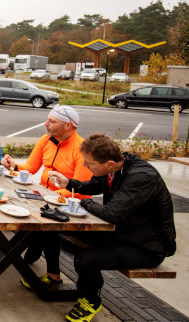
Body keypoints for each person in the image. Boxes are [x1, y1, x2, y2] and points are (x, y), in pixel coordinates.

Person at [43, 134, 175, 322]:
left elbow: (112, 214)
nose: (85, 167)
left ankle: (91, 300)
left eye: (89, 163)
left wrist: (81, 203)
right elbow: (95, 184)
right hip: (118, 232)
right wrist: (70, 183)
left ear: (109, 164)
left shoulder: (141, 177)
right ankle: (53, 277)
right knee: (51, 227)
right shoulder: (117, 167)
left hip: (146, 246)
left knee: (85, 259)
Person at [0, 105, 92, 198]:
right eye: (48, 120)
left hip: (68, 202)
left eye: (52, 121)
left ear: (68, 125)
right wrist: (14, 166)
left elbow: (78, 191)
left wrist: (46, 195)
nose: (46, 124)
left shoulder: (83, 149)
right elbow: (32, 166)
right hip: (45, 193)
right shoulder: (45, 139)